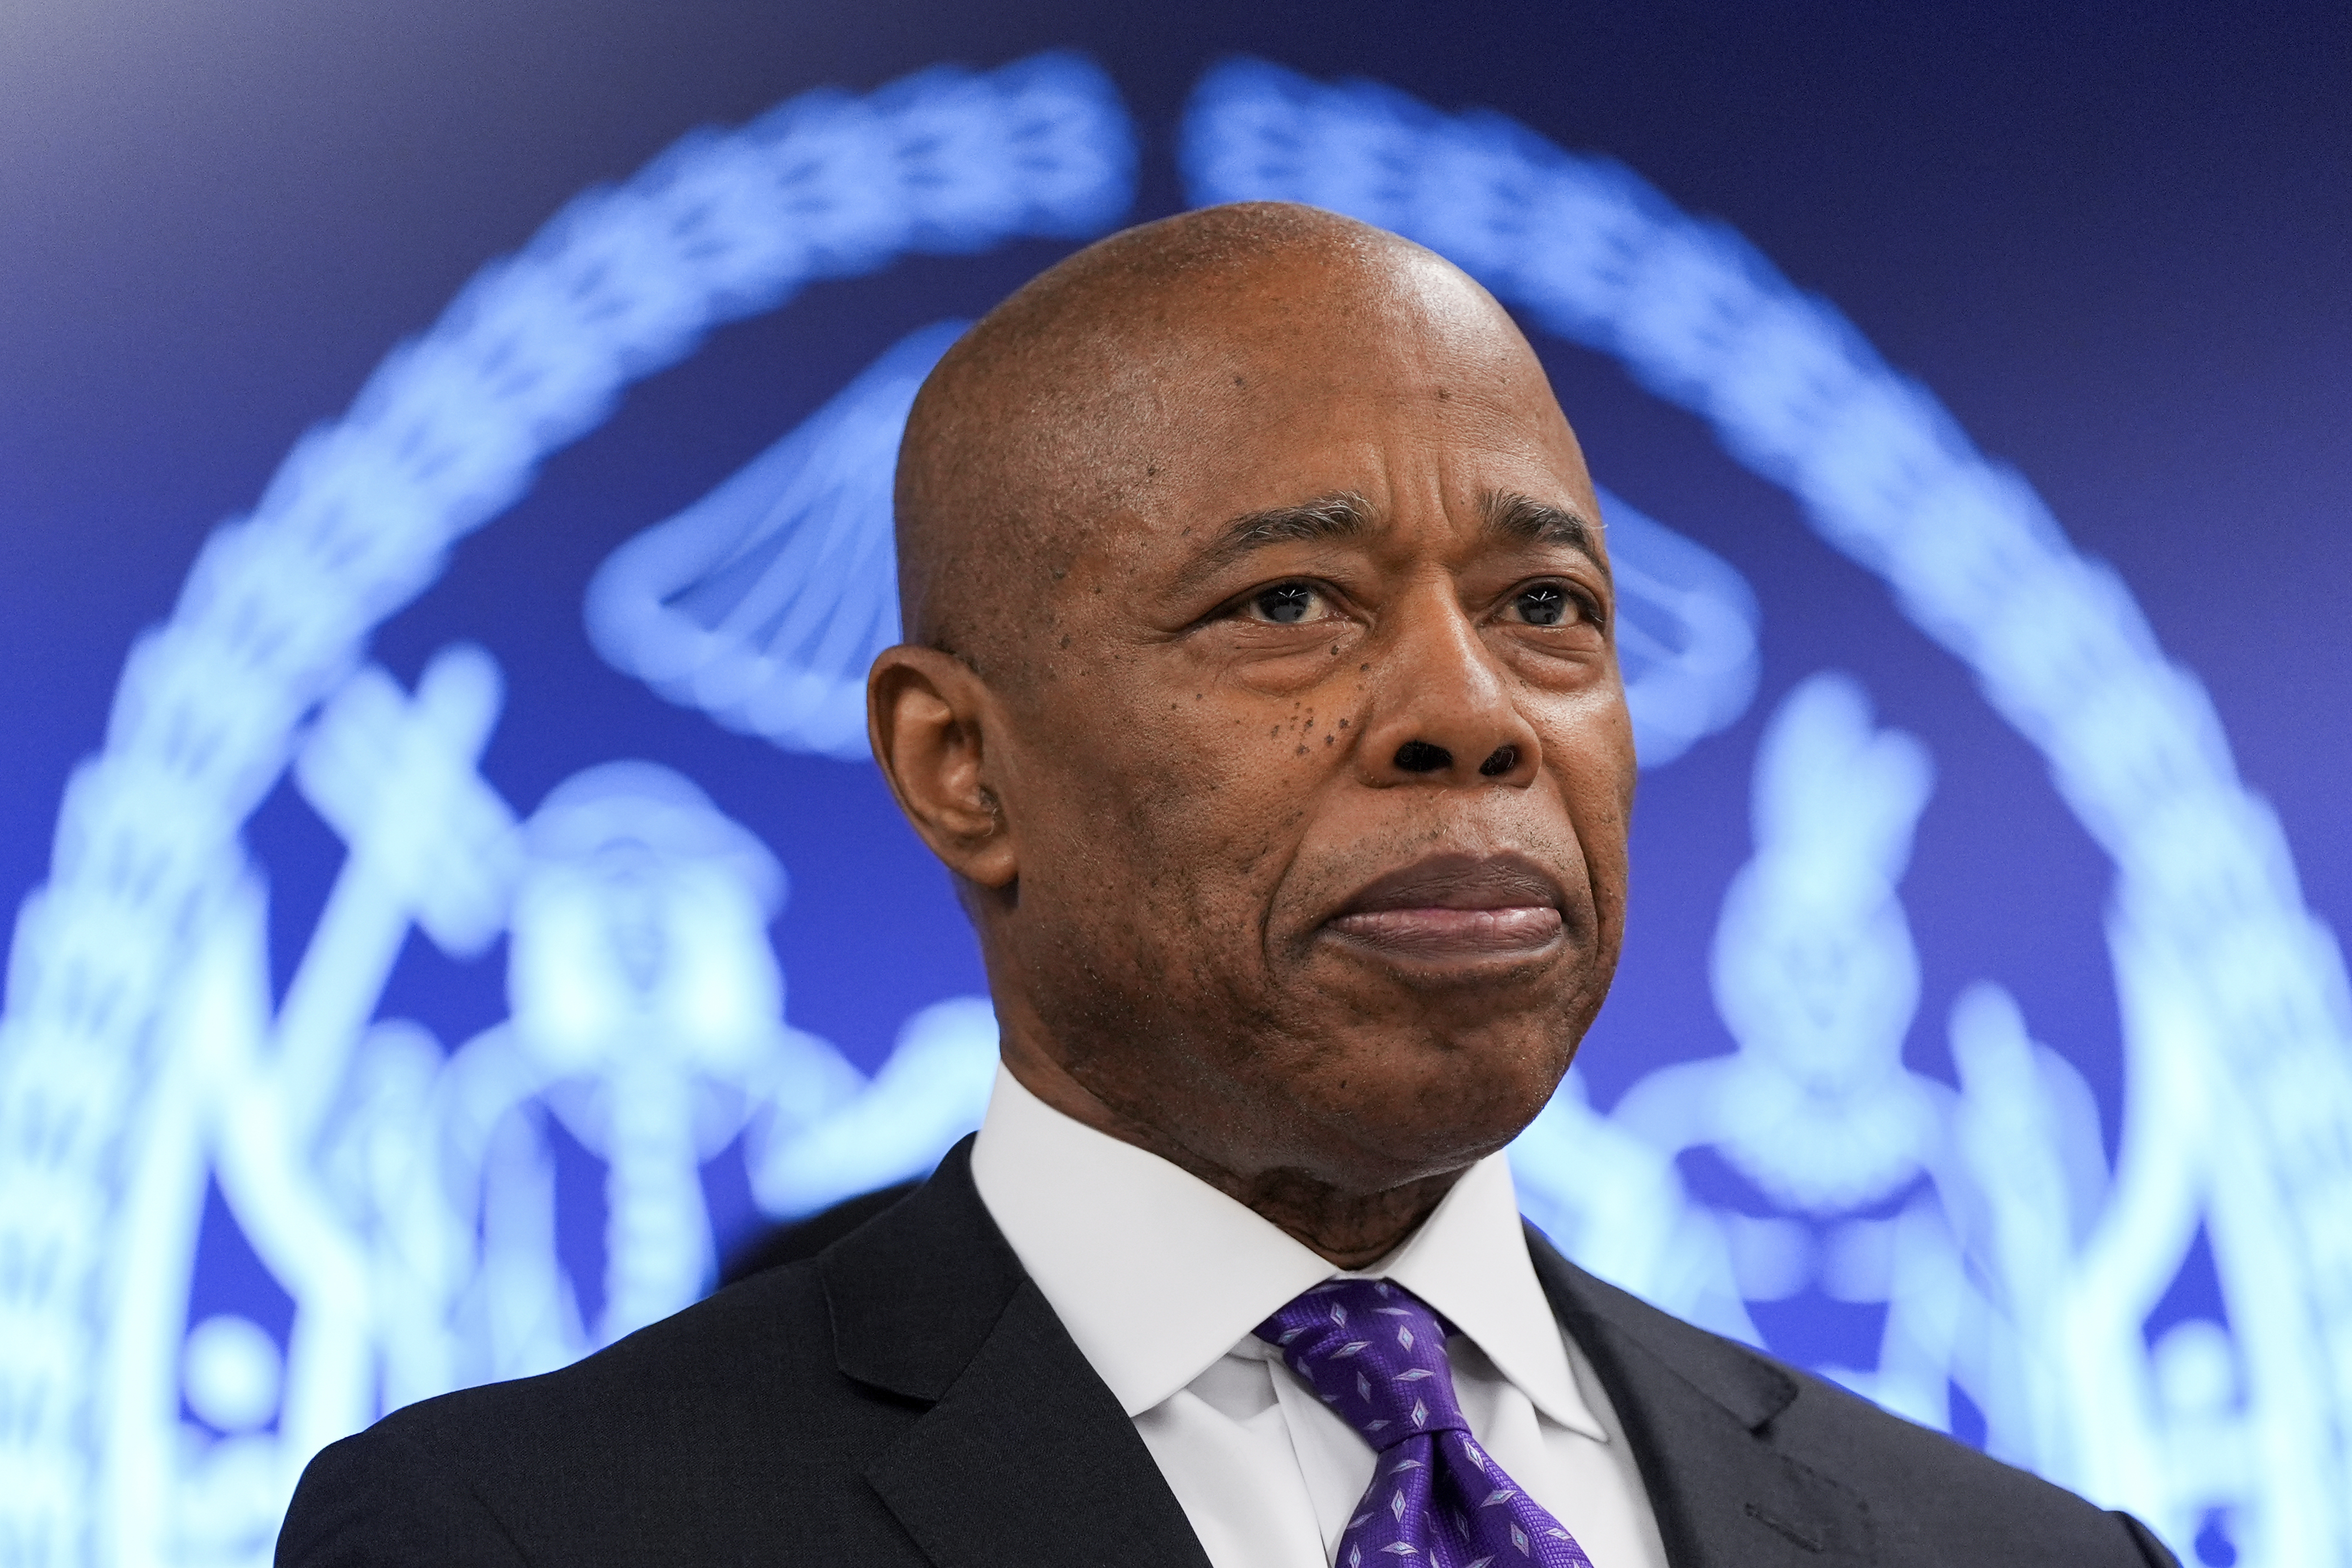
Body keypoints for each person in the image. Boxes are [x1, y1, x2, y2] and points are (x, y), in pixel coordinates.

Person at [278, 201, 2177, 1567]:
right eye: (1290, 604)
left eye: (1547, 610)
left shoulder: (2015, 1550)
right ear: (962, 766)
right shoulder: (523, 1533)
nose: (1470, 710)